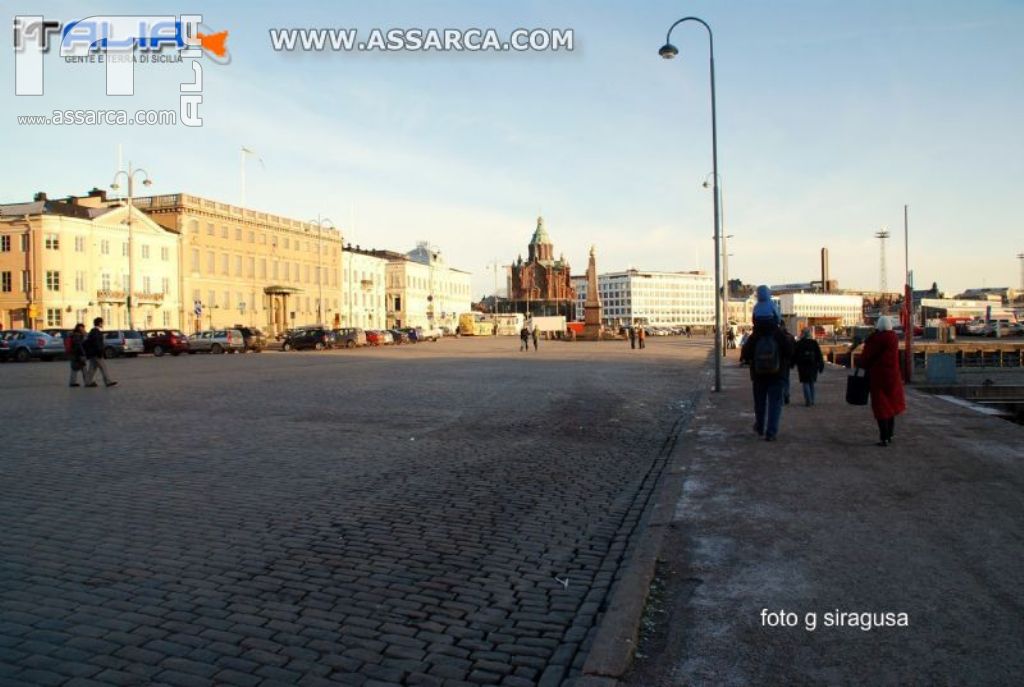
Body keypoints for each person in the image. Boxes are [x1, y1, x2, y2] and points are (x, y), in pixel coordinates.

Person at [740, 314, 795, 441]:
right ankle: (771, 432)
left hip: (758, 375)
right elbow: (790, 351)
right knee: (775, 404)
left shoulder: (755, 335)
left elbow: (745, 353)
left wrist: (751, 360)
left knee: (760, 403)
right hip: (777, 374)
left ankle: (760, 427)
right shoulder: (778, 334)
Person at [857, 316, 906, 446]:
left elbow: (867, 356)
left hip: (878, 376)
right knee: (891, 406)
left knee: (881, 407)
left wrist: (861, 364)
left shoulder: (876, 339)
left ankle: (883, 438)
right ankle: (889, 434)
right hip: (893, 376)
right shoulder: (893, 338)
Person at [793, 327, 825, 406]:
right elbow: (819, 355)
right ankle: (812, 400)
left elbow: (794, 355)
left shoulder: (799, 343)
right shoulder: (814, 343)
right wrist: (821, 365)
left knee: (805, 382)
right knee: (811, 383)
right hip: (813, 365)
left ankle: (808, 400)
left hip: (802, 366)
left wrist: (792, 363)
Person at [84, 317, 117, 388]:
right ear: (99, 323)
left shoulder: (92, 331)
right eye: (102, 322)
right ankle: (107, 381)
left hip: (93, 353)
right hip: (97, 353)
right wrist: (100, 352)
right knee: (103, 367)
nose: (103, 324)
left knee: (92, 368)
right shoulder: (96, 332)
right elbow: (97, 343)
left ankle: (88, 382)